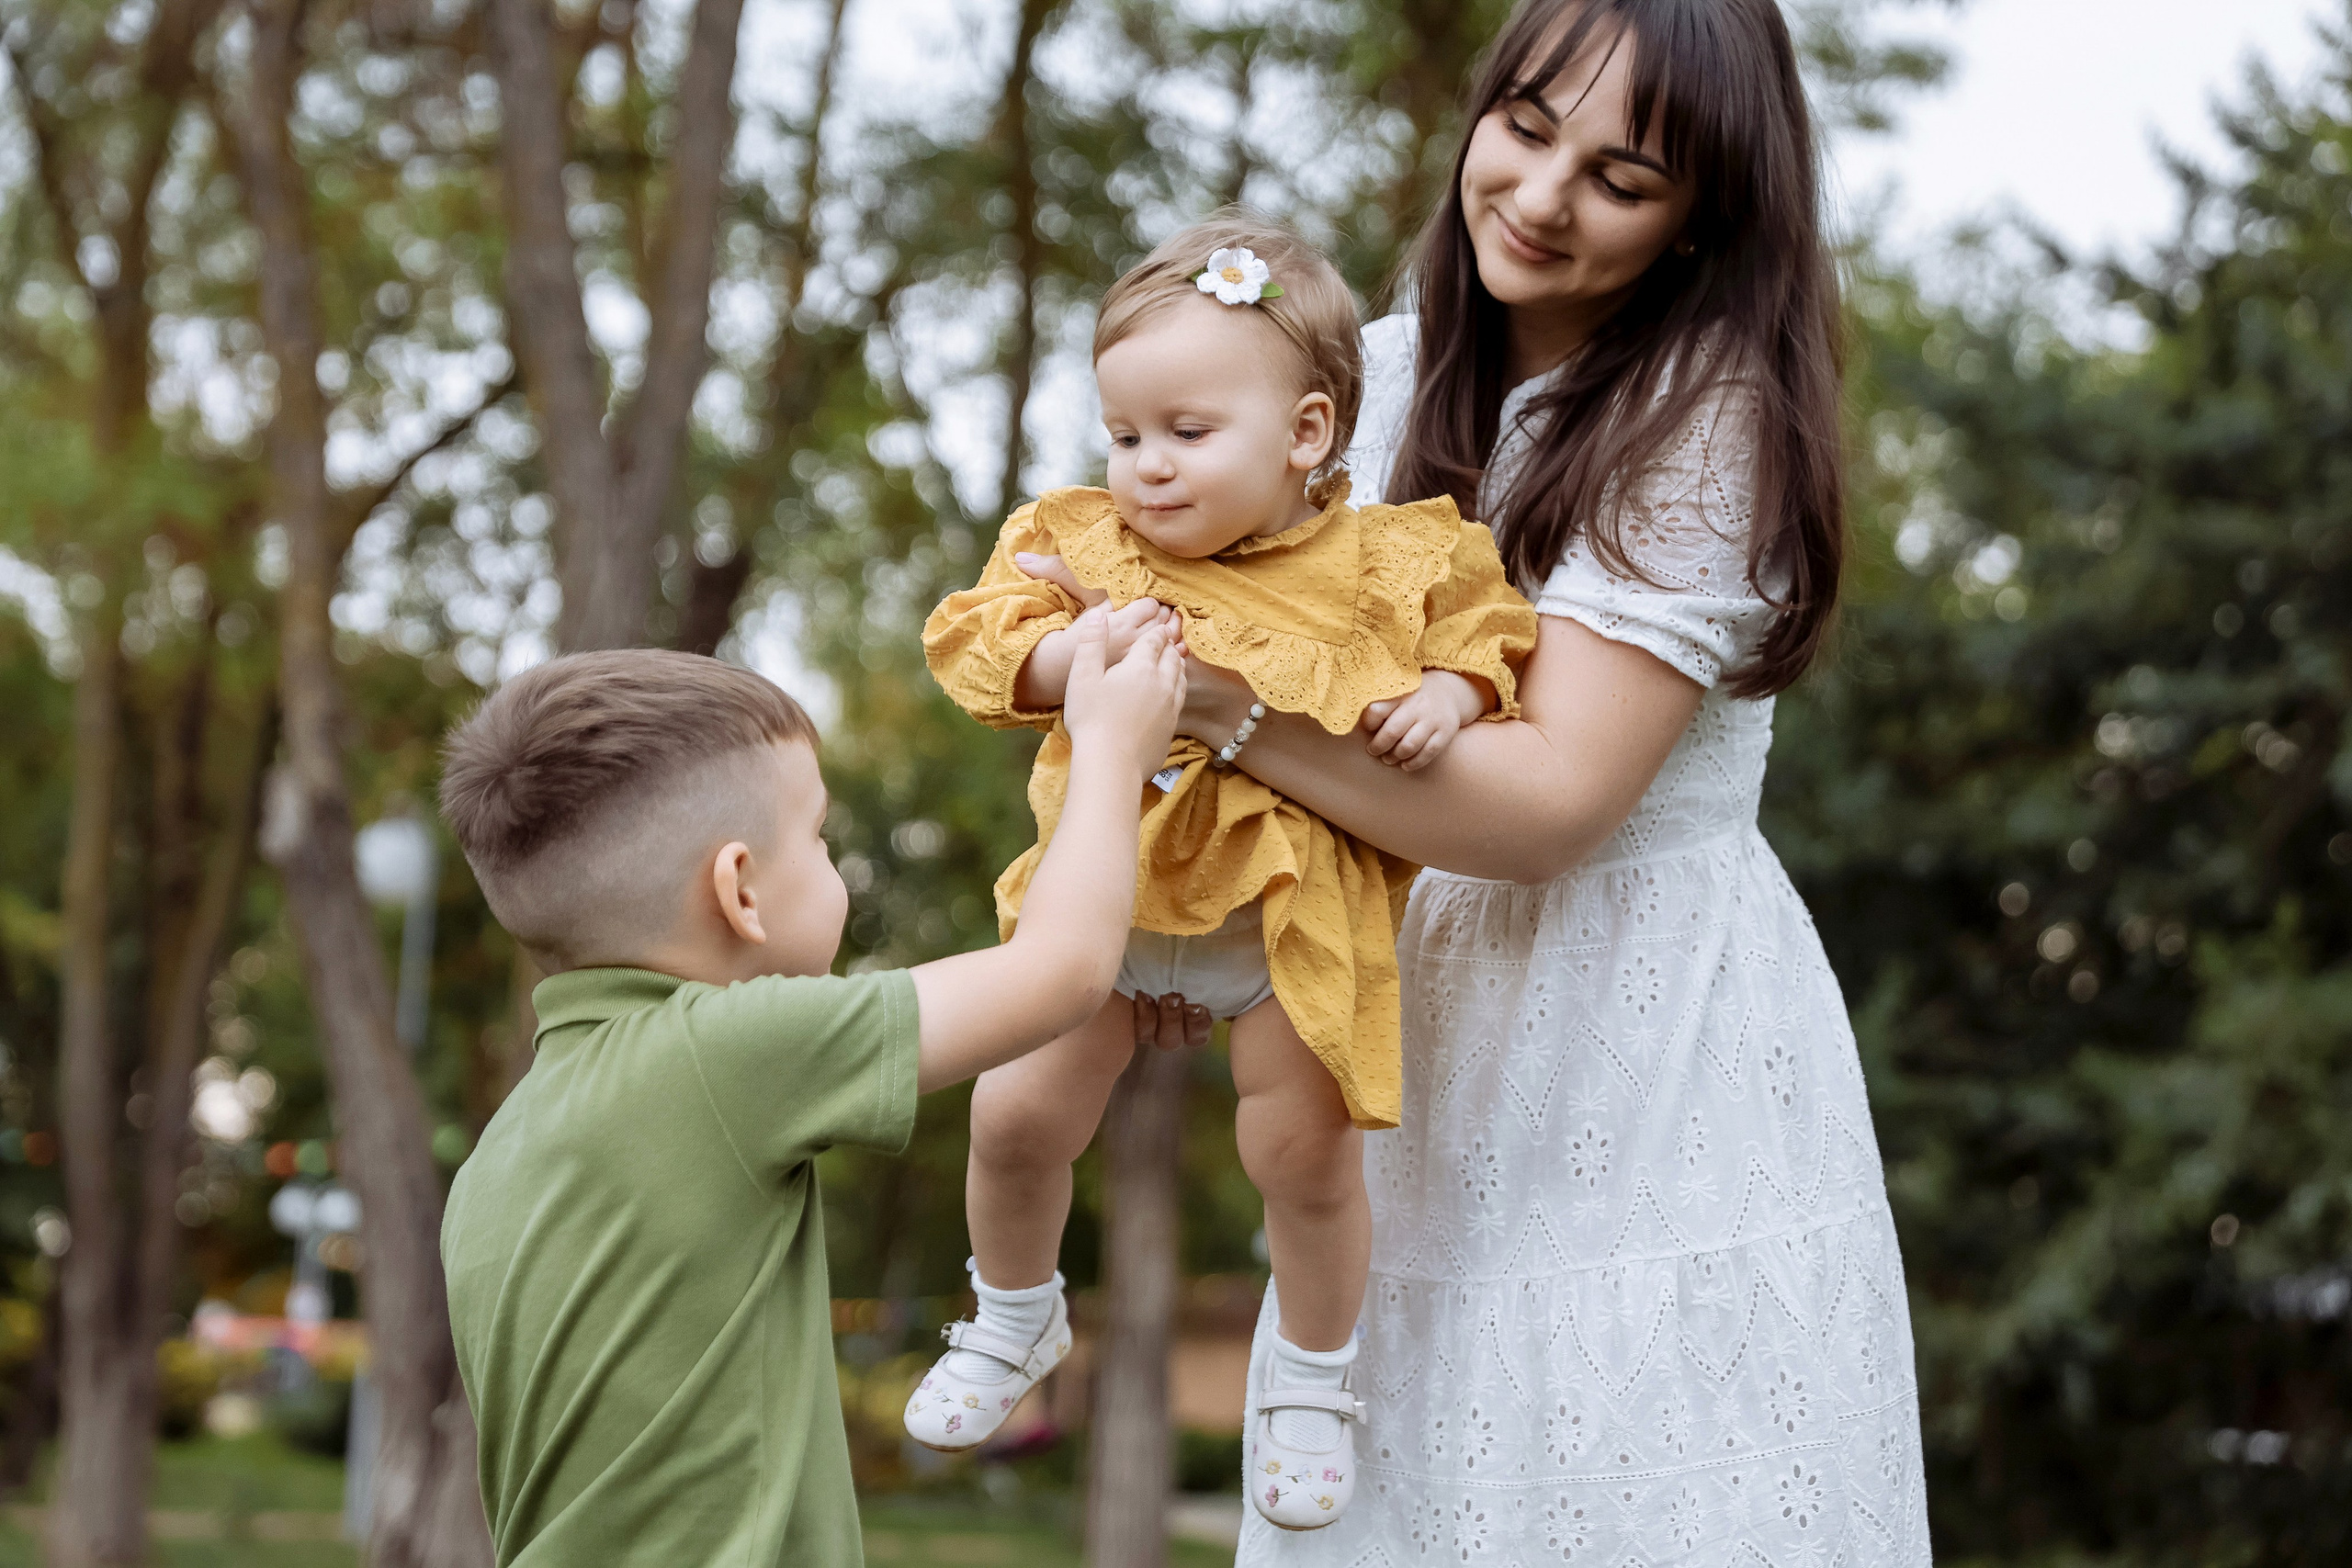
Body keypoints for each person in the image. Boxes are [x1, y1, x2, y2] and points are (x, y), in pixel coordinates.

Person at [1115, 1, 1933, 1560]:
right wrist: (1183, 928)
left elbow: (1553, 804)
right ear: (1480, 115)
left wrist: (1222, 713)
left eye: (1623, 177)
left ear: (1704, 220)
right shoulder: (1358, 385)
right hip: (1389, 1005)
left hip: (1642, 1048)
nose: (1545, 196)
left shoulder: (1707, 420)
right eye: (1529, 129)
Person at [915, 216, 1536, 1530]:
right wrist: (1065, 662)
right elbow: (974, 637)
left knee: (1302, 1156)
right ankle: (1014, 1311)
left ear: (1308, 435)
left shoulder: (1394, 557)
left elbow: (1496, 629)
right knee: (1015, 1118)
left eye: (1186, 432)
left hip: (1288, 925)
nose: (1145, 466)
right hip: (1108, 906)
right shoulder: (1086, 545)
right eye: (1123, 432)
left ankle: (1313, 1378)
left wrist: (1450, 688)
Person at [435, 626, 1182, 1566]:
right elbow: (1063, 971)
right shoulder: (719, 1055)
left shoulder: (508, 1148)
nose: (835, 866)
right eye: (821, 839)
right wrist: (1112, 749)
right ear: (739, 890)